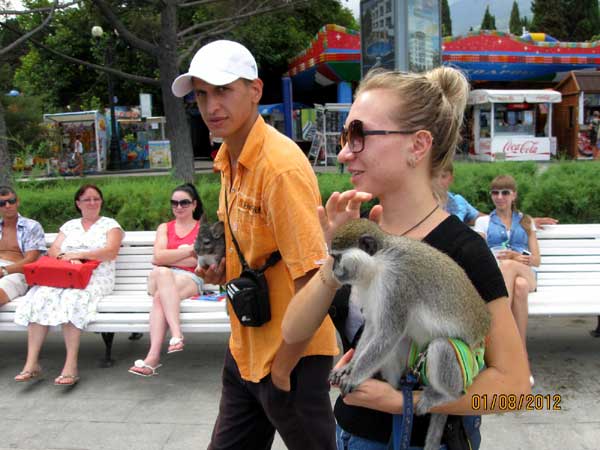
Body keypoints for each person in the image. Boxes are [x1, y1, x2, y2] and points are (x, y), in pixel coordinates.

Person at [282, 67, 531, 449]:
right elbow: (292, 333)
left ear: (417, 145)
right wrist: (333, 265)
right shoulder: (362, 236)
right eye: (347, 136)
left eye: (359, 135)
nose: (344, 152)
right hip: (349, 434)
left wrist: (403, 403)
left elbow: (513, 388)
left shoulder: (463, 249)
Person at [171, 40, 338, 449]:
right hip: (244, 348)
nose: (211, 106)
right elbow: (252, 251)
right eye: (202, 94)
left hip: (291, 357)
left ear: (255, 91)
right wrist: (221, 268)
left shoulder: (279, 168)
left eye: (223, 90)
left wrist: (282, 371)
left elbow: (314, 280)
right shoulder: (228, 158)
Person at [14, 184, 124, 385]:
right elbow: (54, 250)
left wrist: (80, 255)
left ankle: (71, 365)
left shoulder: (111, 225)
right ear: (78, 203)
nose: (92, 203)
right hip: (65, 275)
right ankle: (31, 363)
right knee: (40, 297)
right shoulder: (70, 226)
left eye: (96, 199)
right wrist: (67, 258)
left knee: (73, 300)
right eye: (87, 199)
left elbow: (111, 252)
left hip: (95, 278)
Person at [128, 183, 205, 376]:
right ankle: (176, 334)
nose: (179, 207)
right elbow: (158, 258)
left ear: (194, 204)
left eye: (184, 203)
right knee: (162, 273)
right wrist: (188, 251)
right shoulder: (165, 227)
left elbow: (202, 260)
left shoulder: (202, 228)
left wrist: (170, 256)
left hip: (190, 277)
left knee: (159, 298)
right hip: (161, 275)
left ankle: (152, 358)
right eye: (174, 203)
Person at [473, 175, 540, 384]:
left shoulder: (526, 221)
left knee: (512, 268)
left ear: (514, 195)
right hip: (500, 275)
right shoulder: (483, 222)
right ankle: (522, 362)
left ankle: (499, 325)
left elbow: (536, 260)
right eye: (495, 192)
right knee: (518, 288)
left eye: (505, 192)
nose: (499, 197)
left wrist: (514, 257)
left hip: (527, 273)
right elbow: (482, 255)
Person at [435, 162, 558, 228]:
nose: (438, 181)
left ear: (451, 178)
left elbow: (488, 220)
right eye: (434, 176)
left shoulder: (458, 202)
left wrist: (526, 221)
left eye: (443, 176)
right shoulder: (420, 202)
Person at [0, 186, 46, 306]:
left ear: (17, 201)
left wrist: (3, 271)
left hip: (16, 273)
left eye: (11, 201)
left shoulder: (31, 226)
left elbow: (31, 261)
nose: (7, 206)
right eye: (2, 203)